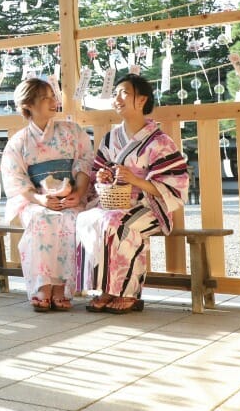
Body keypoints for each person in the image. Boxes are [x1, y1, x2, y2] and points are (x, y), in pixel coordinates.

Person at [76, 73, 190, 314]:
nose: (117, 98)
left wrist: (136, 180)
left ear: (141, 101)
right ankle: (104, 288)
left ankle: (128, 291)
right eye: (116, 93)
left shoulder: (160, 142)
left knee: (115, 222)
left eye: (124, 93)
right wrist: (102, 178)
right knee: (88, 219)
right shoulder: (111, 138)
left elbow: (175, 182)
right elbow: (99, 169)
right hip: (113, 203)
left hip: (148, 207)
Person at [0, 78, 94, 312]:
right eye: (46, 97)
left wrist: (79, 193)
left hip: (71, 196)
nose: (54, 101)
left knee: (71, 220)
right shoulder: (18, 142)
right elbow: (16, 178)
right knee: (42, 220)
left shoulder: (72, 131)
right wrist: (40, 199)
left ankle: (62, 287)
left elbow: (85, 164)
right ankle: (43, 286)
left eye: (54, 96)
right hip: (36, 200)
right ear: (29, 104)